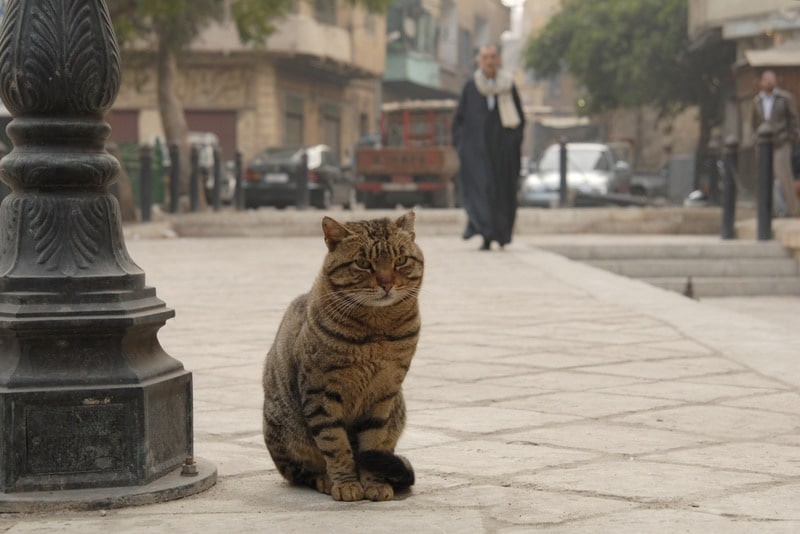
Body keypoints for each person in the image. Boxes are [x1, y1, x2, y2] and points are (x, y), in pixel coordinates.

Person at [452, 44, 525, 250]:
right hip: (477, 153)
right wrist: (462, 146)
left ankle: (501, 234)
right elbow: (459, 121)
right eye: (485, 57)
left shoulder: (508, 86)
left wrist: (513, 142)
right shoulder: (471, 87)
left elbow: (519, 120)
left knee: (502, 193)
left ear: (499, 59)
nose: (489, 61)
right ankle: (485, 232)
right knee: (481, 191)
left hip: (503, 154)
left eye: (493, 57)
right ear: (479, 61)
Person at [751, 70, 799, 217]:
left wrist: (791, 137)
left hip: (781, 141)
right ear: (761, 82)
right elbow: (753, 123)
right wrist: (756, 138)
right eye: (766, 80)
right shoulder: (757, 101)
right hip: (763, 143)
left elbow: (793, 119)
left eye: (771, 80)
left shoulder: (784, 98)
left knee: (784, 176)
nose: (769, 82)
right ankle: (768, 211)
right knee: (765, 177)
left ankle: (792, 210)